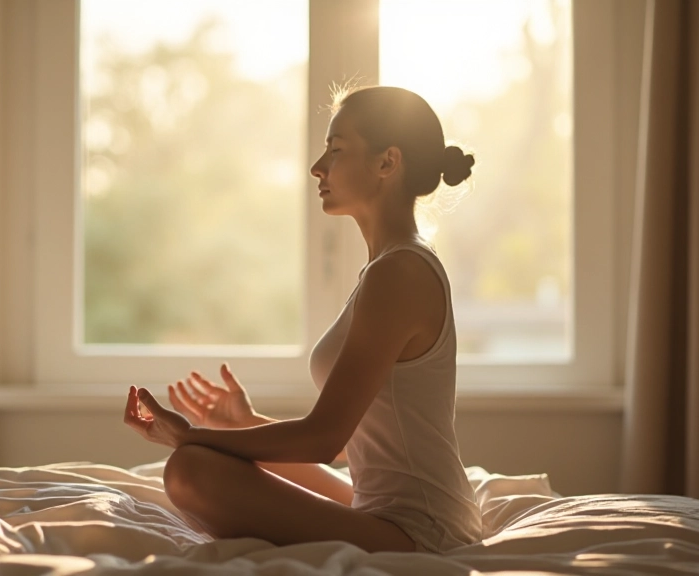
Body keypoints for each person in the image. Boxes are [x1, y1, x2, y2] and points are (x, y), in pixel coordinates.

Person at [123, 85, 482, 554]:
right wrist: (243, 423)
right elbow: (347, 443)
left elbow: (323, 437)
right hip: (388, 507)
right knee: (196, 464)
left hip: (422, 530)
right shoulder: (390, 266)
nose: (318, 166)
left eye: (336, 150)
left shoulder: (400, 272)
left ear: (387, 163)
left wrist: (192, 435)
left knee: (191, 469)